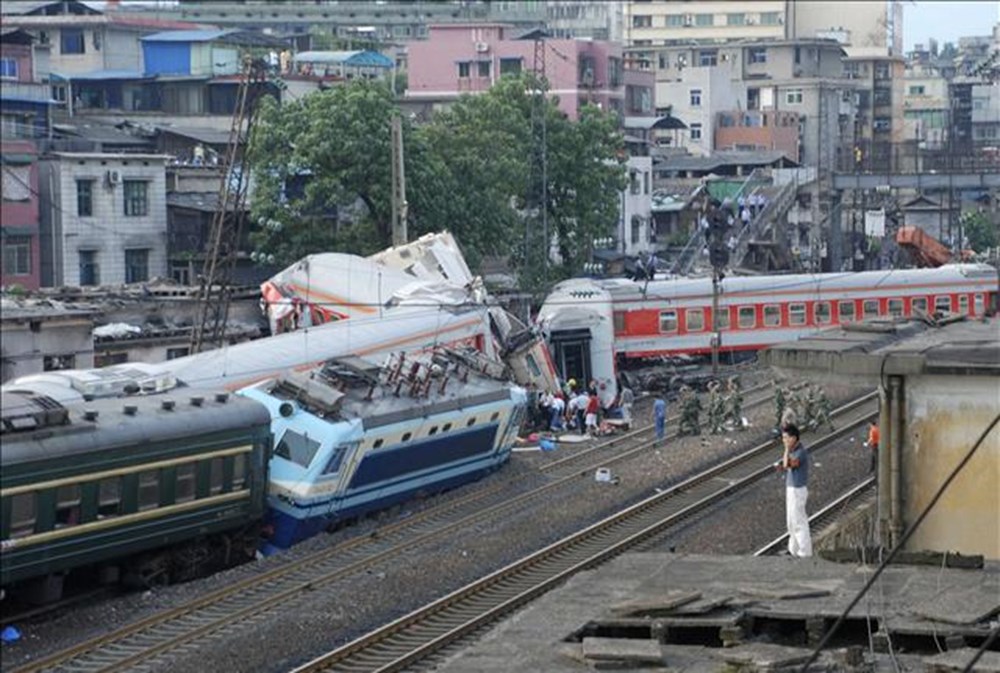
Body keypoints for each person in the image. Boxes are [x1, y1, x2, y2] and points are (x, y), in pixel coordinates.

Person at [777, 424, 812, 557]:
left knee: (798, 521)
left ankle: (804, 552)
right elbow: (786, 465)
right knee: (791, 521)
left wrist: (786, 450)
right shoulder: (793, 451)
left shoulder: (800, 451)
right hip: (791, 488)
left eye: (786, 438)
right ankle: (793, 550)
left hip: (797, 490)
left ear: (793, 438)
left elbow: (788, 464)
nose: (784, 440)